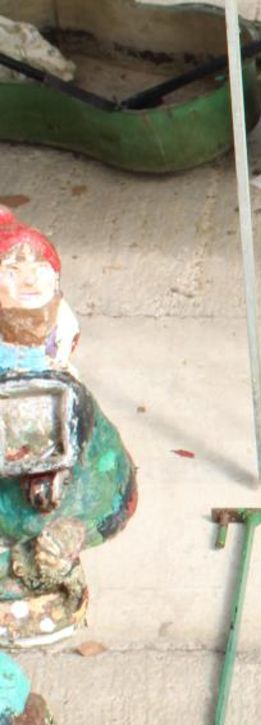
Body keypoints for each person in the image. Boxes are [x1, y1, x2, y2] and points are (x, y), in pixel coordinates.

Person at [0, 207, 137, 645]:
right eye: (12, 268)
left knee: (71, 496)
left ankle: (52, 562)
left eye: (39, 267)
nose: (28, 279)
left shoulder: (62, 359)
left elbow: (109, 487)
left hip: (53, 458)